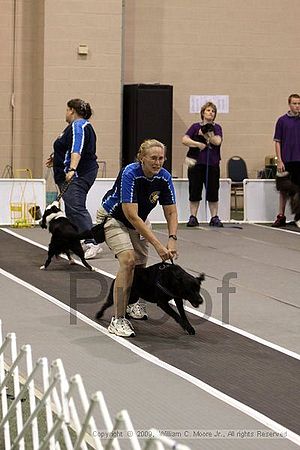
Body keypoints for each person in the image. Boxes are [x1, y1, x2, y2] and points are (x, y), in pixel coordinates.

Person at [96, 139, 178, 337]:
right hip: (114, 218)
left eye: (161, 158)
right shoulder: (130, 173)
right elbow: (130, 214)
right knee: (128, 261)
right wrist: (158, 245)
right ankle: (118, 319)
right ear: (142, 158)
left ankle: (133, 302)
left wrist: (172, 238)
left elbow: (171, 212)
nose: (157, 162)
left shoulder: (164, 178)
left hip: (139, 220)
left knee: (141, 266)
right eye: (153, 158)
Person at [46, 98, 102, 259]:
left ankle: (92, 242)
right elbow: (66, 147)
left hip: (79, 173)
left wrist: (72, 168)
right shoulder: (71, 128)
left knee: (76, 207)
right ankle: (80, 240)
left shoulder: (79, 126)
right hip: (67, 173)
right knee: (71, 208)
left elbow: (77, 147)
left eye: (66, 110)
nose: (65, 113)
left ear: (71, 110)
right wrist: (54, 158)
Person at [182, 101, 223, 227]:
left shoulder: (217, 128)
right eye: (208, 110)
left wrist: (207, 134)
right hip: (196, 163)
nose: (211, 113)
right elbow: (185, 140)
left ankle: (214, 217)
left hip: (212, 163)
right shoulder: (195, 127)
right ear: (203, 112)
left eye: (213, 111)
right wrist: (198, 144)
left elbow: (217, 141)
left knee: (213, 191)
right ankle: (193, 216)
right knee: (195, 190)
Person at [272, 93, 300, 227]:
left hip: (299, 161)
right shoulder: (282, 121)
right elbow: (278, 142)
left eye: (299, 104)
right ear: (289, 105)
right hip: (287, 160)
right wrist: (279, 160)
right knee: (283, 190)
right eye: (294, 103)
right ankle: (281, 216)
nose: (297, 106)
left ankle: (298, 217)